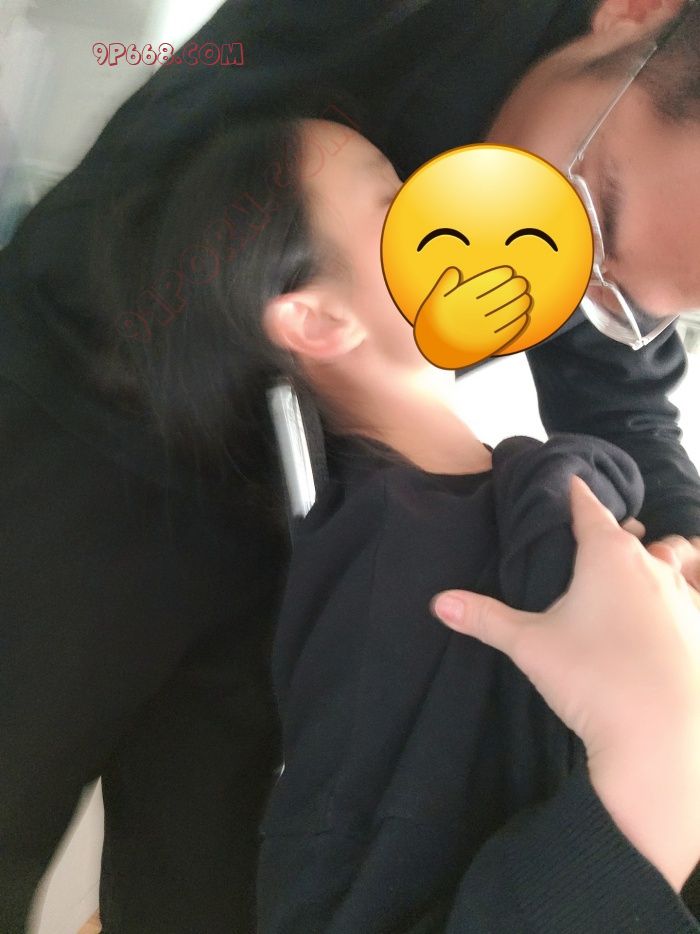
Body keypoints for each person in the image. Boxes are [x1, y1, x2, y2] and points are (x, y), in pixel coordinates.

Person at [0, 2, 698, 932]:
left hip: (314, 511)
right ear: (632, 11)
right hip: (85, 427)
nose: (564, 284)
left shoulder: (438, 534)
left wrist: (684, 537)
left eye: (626, 303)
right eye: (590, 215)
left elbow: (622, 392)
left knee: (203, 884)